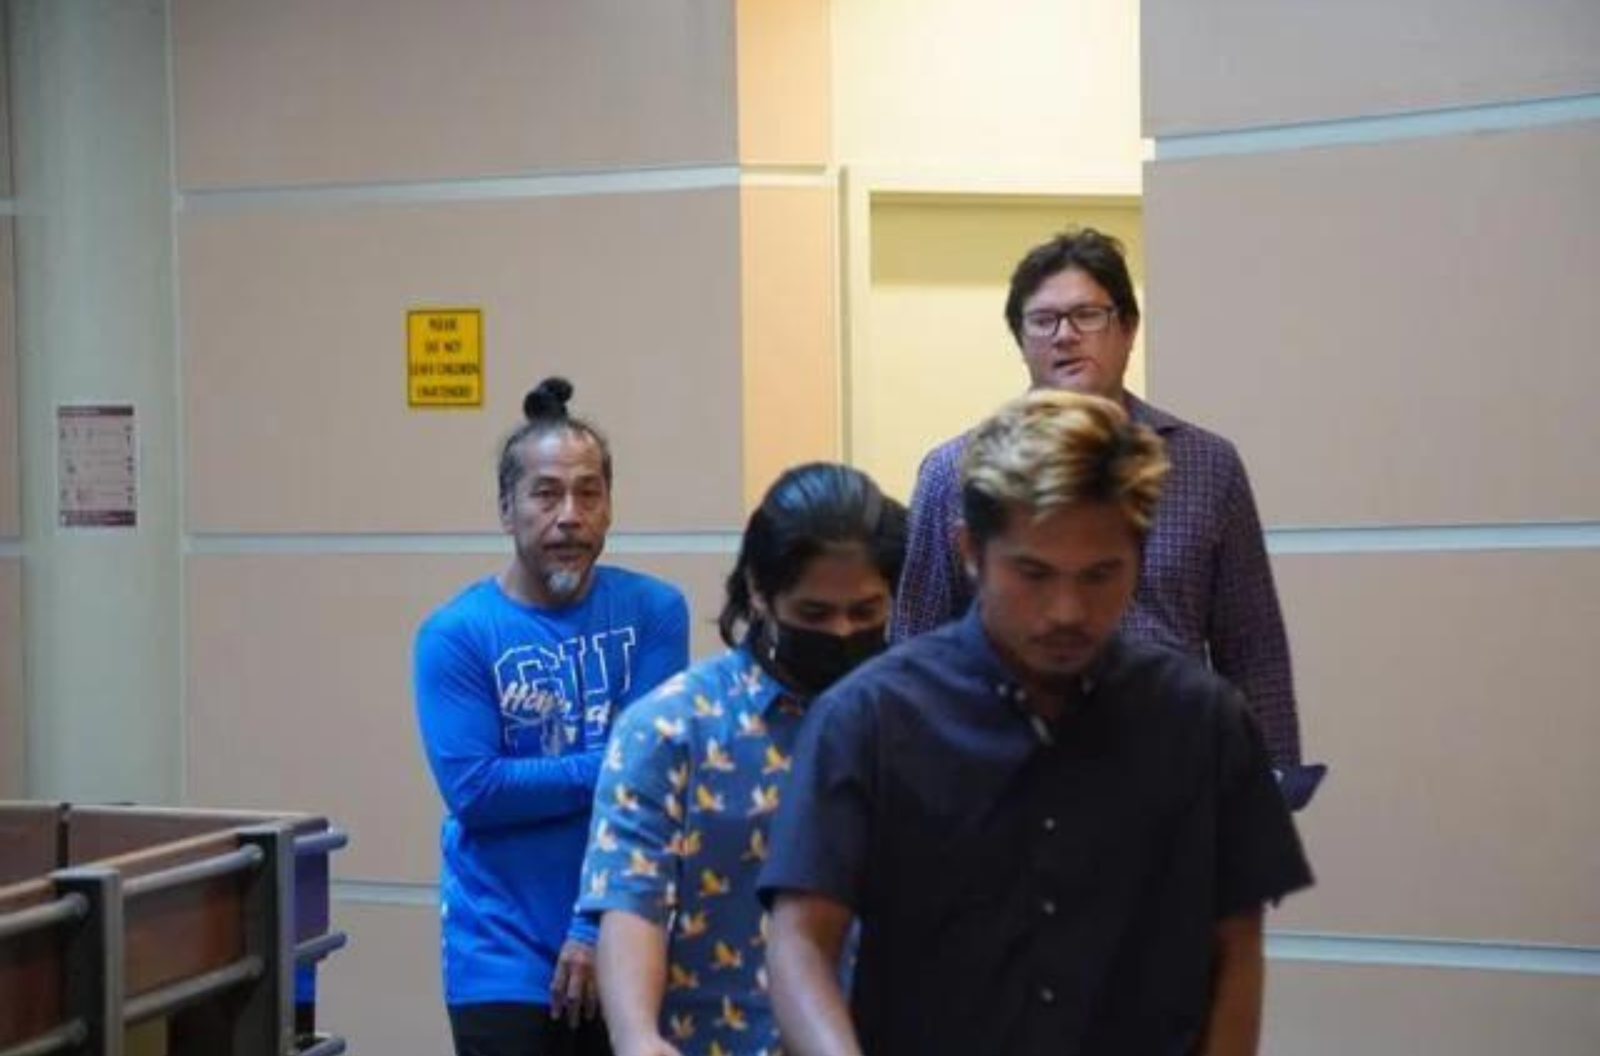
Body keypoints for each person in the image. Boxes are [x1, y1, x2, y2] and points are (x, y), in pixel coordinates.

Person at [761, 391, 1313, 1056]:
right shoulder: (869, 718)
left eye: (1100, 574)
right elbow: (799, 943)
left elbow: (1236, 950)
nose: (1066, 610)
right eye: (1033, 572)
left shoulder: (1204, 721)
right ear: (970, 552)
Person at [892, 227, 1303, 765]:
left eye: (1087, 315)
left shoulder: (1207, 464)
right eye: (1044, 320)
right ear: (1020, 340)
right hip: (1005, 764)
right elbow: (913, 647)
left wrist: (1270, 783)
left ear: (1128, 329)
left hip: (1173, 759)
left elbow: (1252, 647)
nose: (1065, 335)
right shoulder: (953, 471)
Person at [576, 463, 907, 1056]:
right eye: (814, 614)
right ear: (758, 591)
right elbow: (631, 900)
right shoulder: (672, 727)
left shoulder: (918, 720)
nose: (841, 632)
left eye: (864, 613)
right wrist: (636, 1036)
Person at [414, 377, 691, 1056]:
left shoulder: (655, 613)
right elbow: (477, 792)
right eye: (546, 493)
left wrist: (595, 927)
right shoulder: (457, 634)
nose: (570, 514)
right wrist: (615, 765)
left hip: (626, 932)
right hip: (498, 955)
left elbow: (656, 793)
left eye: (589, 492)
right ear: (506, 509)